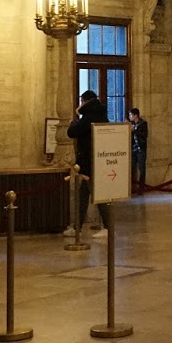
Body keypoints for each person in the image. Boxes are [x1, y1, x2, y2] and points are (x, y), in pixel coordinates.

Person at [67, 90, 111, 235]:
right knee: (84, 194)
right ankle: (77, 228)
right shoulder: (102, 115)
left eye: (81, 101)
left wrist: (75, 118)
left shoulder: (88, 117)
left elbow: (72, 132)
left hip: (89, 161)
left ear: (85, 101)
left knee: (98, 194)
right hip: (98, 159)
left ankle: (108, 227)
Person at [127, 107, 149, 191]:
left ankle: (141, 187)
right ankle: (131, 187)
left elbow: (144, 135)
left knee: (141, 168)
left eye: (131, 115)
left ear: (136, 115)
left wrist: (134, 131)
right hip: (133, 149)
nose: (130, 117)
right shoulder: (132, 124)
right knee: (132, 168)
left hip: (141, 149)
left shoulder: (143, 124)